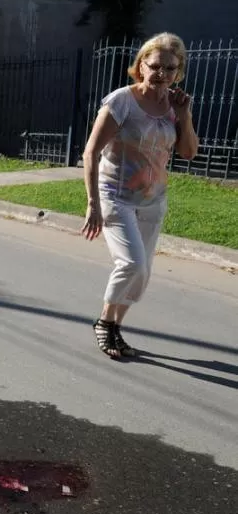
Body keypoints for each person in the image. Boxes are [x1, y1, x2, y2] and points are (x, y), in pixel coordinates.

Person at [82, 32, 198, 359]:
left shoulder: (175, 107)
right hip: (115, 194)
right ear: (141, 66)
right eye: (155, 66)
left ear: (179, 72)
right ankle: (105, 323)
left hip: (153, 200)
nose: (162, 73)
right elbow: (91, 152)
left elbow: (189, 152)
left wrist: (185, 116)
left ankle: (116, 328)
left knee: (143, 272)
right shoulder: (122, 101)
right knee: (131, 262)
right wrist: (93, 204)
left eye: (170, 68)